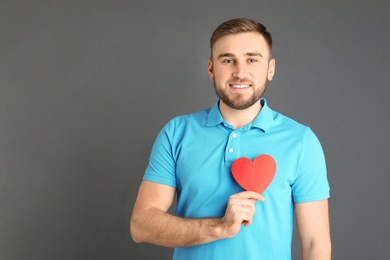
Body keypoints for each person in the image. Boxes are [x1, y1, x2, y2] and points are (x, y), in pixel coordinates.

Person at [130, 18, 331, 260]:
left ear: (270, 69)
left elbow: (315, 245)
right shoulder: (177, 133)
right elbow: (141, 226)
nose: (240, 72)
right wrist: (220, 227)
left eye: (252, 59)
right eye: (228, 60)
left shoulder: (301, 141)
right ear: (211, 69)